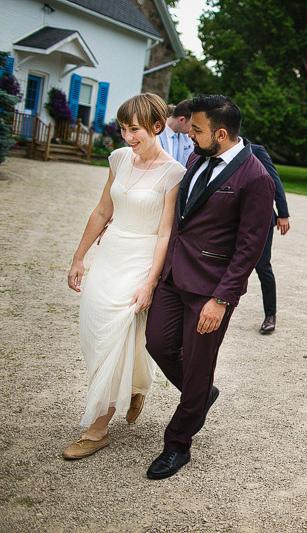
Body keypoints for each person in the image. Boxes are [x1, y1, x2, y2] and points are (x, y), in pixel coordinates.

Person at [144, 95, 274, 479]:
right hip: (173, 276)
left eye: (196, 130)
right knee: (158, 343)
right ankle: (200, 395)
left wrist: (221, 299)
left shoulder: (256, 178)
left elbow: (250, 248)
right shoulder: (195, 159)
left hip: (211, 289)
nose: (189, 135)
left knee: (200, 365)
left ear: (220, 133)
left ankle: (177, 445)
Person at [63, 93, 184, 460]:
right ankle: (135, 386)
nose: (127, 136)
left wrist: (150, 283)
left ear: (157, 127)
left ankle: (98, 429)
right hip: (111, 252)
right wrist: (79, 257)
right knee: (94, 331)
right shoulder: (118, 158)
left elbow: (165, 233)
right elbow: (102, 210)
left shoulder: (173, 172)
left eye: (135, 130)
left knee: (116, 334)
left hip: (141, 259)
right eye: (122, 128)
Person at [250, 143, 291, 334]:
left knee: (262, 266)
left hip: (261, 218)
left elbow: (275, 182)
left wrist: (282, 213)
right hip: (232, 218)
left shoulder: (255, 151)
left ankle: (270, 315)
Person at [158, 99, 194, 166]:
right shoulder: (155, 133)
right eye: (192, 124)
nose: (193, 129)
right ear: (182, 119)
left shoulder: (188, 138)